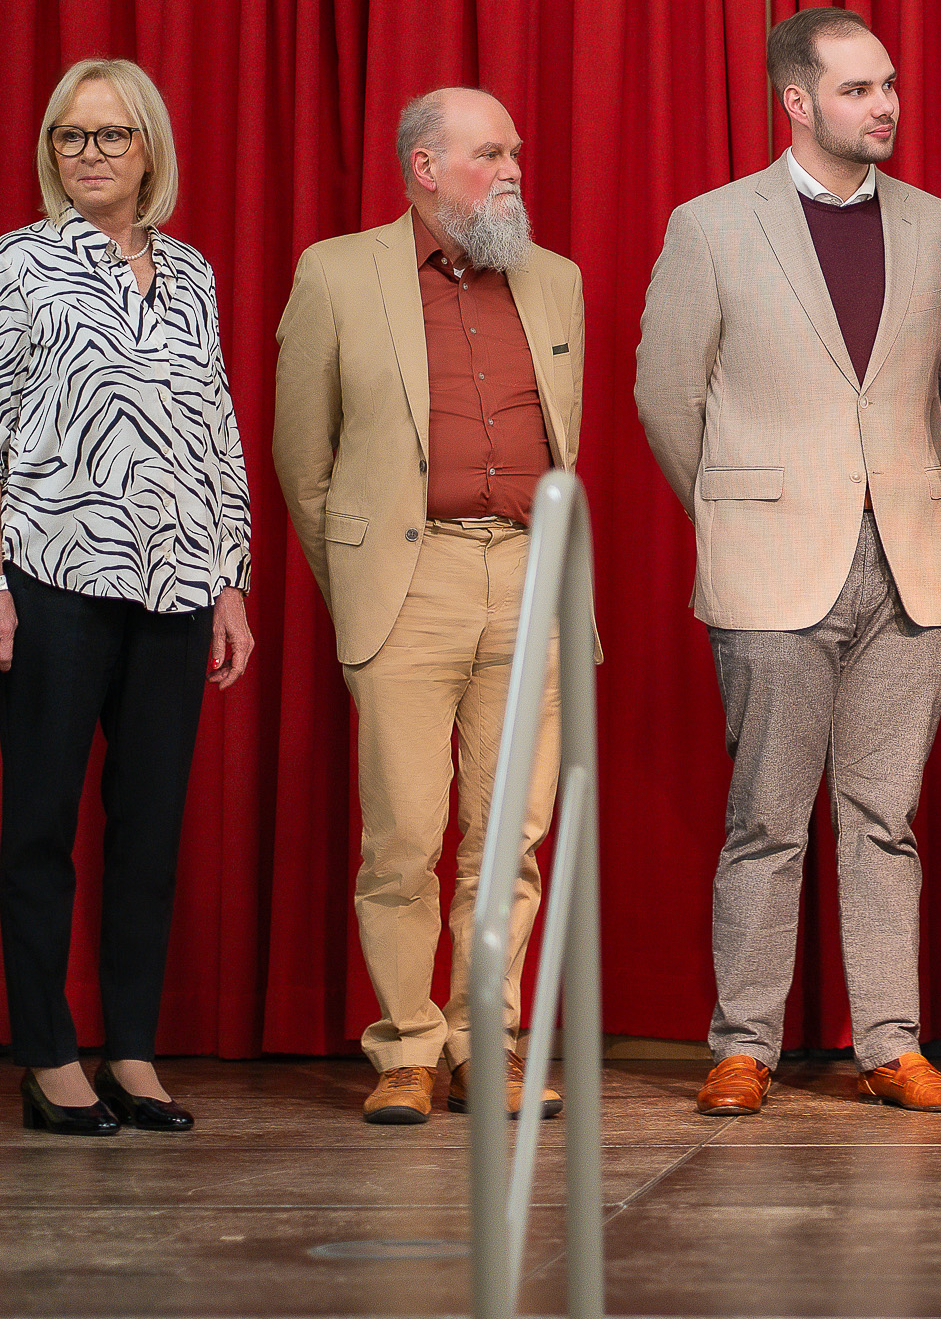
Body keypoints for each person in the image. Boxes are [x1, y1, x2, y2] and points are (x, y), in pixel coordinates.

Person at [637, 7, 941, 1119]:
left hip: (912, 562)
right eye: (856, 89)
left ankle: (892, 1045)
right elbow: (665, 393)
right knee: (767, 819)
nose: (884, 105)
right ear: (797, 101)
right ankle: (744, 1046)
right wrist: (737, 508)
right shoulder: (711, 225)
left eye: (888, 84)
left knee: (885, 818)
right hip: (771, 563)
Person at [272, 86, 588, 1125]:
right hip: (408, 584)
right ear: (424, 167)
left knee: (511, 838)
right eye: (489, 154)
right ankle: (407, 1047)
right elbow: (302, 461)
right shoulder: (336, 273)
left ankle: (484, 1043)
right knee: (404, 835)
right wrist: (362, 584)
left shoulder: (556, 281)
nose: (512, 172)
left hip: (532, 580)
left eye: (515, 152)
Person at [0, 59, 254, 1136]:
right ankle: (50, 1058)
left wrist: (229, 583)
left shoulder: (190, 272)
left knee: (150, 827)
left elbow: (216, 431)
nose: (89, 154)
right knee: (41, 823)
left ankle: (131, 1050)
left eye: (111, 135)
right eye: (70, 136)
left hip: (176, 584)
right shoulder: (18, 263)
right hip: (51, 579)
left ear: (149, 150)